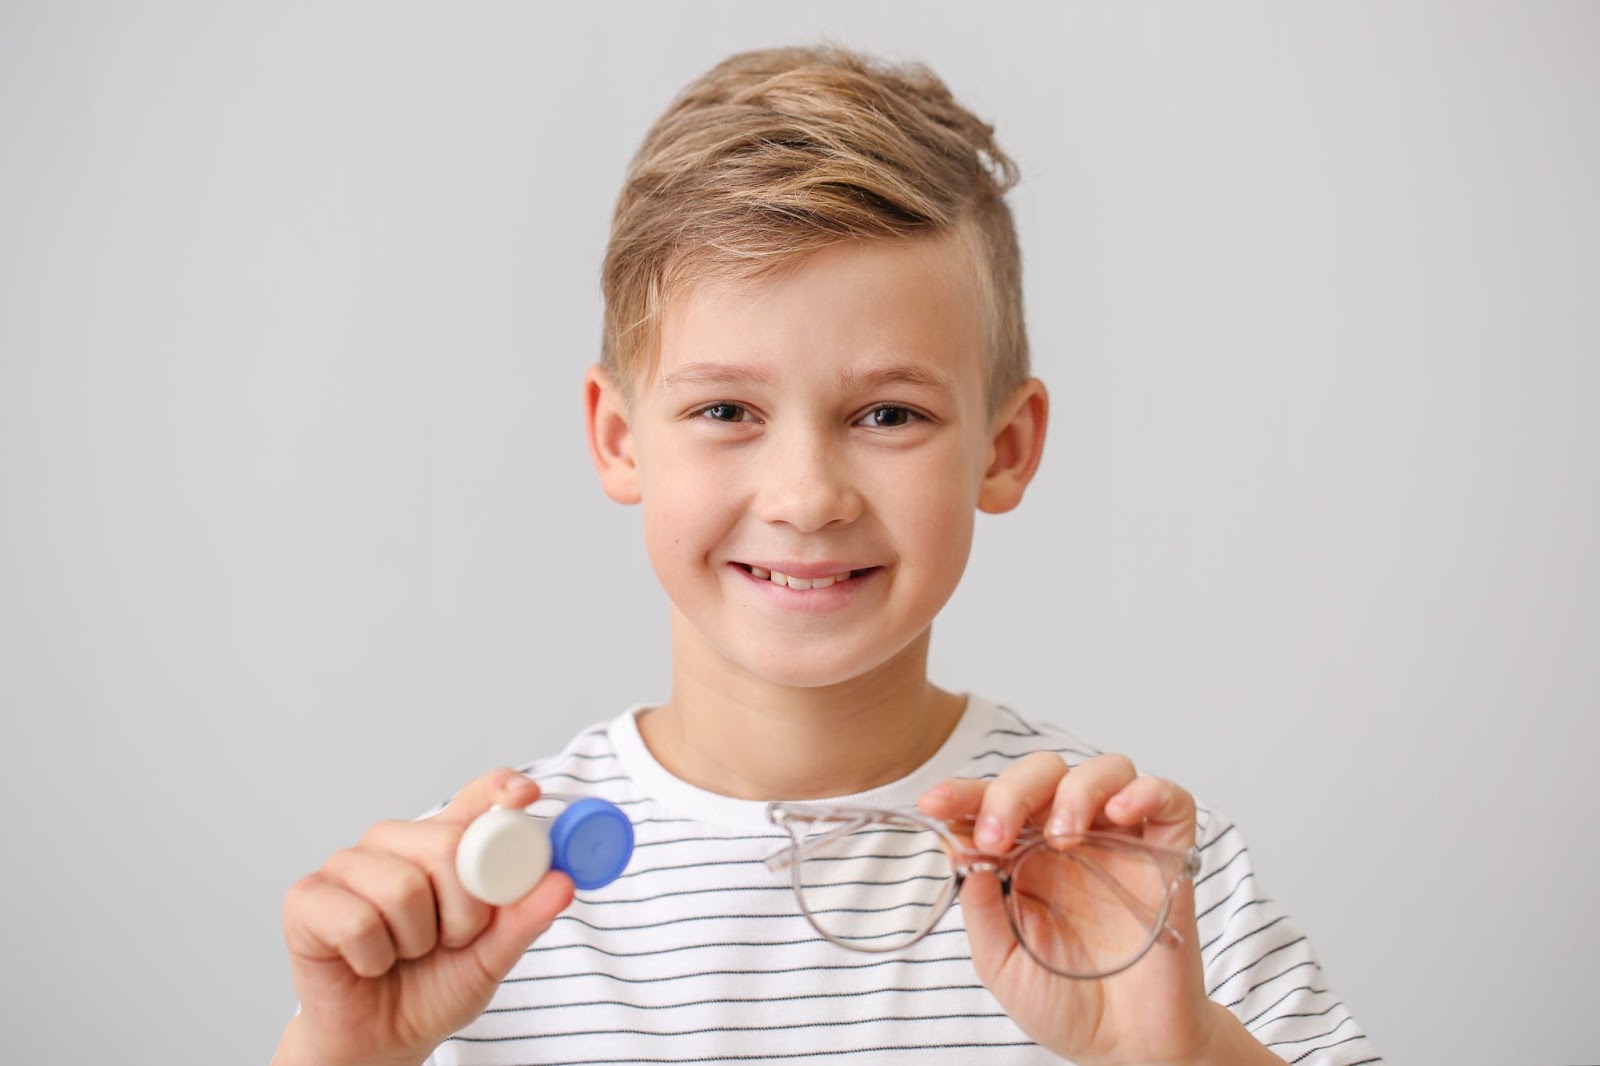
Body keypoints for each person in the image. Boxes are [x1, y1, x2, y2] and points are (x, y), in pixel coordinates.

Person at [271, 44, 1382, 1066]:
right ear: (619, 438)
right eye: (724, 411)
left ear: (1004, 450)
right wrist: (346, 1053)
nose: (806, 497)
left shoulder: (1133, 881)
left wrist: (1171, 1052)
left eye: (889, 415)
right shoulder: (464, 899)